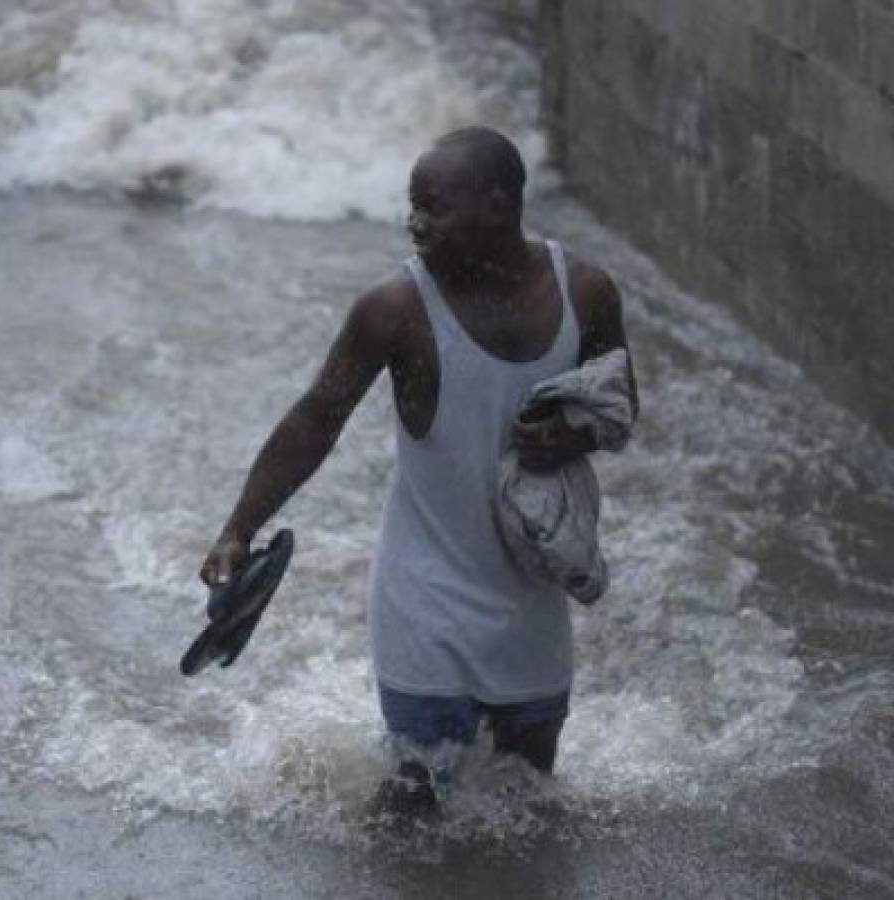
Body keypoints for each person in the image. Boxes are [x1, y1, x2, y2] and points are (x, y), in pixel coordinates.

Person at [198, 126, 639, 813]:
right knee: (413, 811)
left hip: (532, 602)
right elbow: (318, 416)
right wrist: (238, 527)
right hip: (423, 599)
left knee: (529, 803)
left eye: (433, 206)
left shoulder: (586, 294)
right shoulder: (393, 310)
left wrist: (571, 434)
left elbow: (619, 405)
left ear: (497, 205)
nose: (415, 222)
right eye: (412, 205)